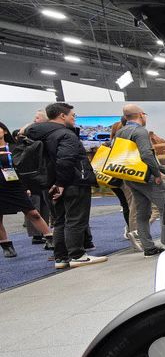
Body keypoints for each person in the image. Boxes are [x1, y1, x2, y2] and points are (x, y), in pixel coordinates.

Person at [23, 103, 107, 268]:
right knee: (76, 219)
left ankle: (61, 258)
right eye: (73, 115)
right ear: (62, 115)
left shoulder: (41, 135)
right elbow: (66, 159)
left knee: (60, 220)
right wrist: (61, 183)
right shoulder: (65, 135)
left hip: (51, 182)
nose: (74, 118)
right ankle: (77, 255)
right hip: (72, 182)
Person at [116, 104, 165, 257]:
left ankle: (148, 247)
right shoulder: (140, 131)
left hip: (131, 177)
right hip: (147, 177)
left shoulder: (120, 132)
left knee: (142, 212)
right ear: (140, 115)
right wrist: (157, 174)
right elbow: (146, 154)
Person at [0, 122, 54, 257]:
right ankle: (6, 246)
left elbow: (25, 166)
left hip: (16, 185)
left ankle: (50, 238)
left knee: (33, 213)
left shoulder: (15, 147)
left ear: (5, 131)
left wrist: (36, 121)